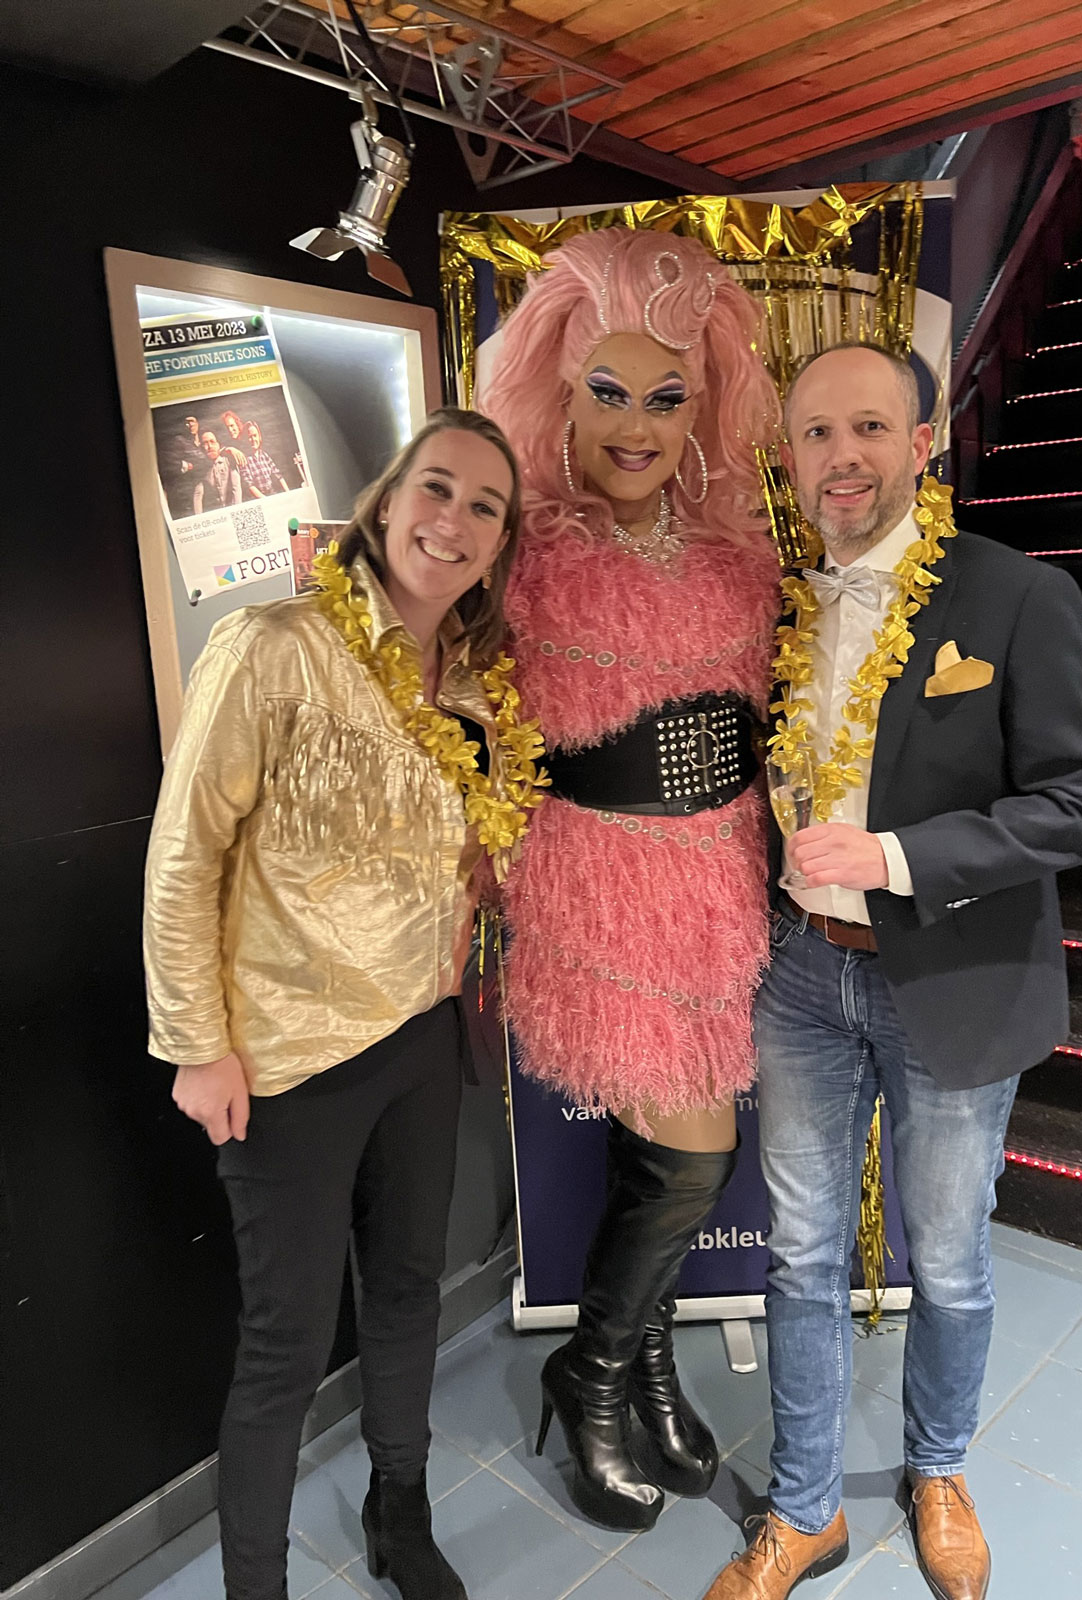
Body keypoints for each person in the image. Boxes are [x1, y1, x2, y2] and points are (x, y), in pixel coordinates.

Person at [701, 343, 1082, 1600]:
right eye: (817, 433)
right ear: (790, 457)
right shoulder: (780, 610)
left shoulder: (1017, 594)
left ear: (922, 443)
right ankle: (806, 1507)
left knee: (946, 1258)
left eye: (871, 427)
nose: (844, 457)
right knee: (800, 1254)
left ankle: (939, 1468)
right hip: (799, 978)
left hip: (955, 975)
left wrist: (894, 855)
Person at [144, 407, 541, 1600]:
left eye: (484, 506)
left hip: (421, 1034)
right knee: (285, 1347)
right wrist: (197, 1044)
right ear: (387, 499)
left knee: (409, 1290)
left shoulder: (472, 684)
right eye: (437, 487)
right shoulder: (274, 644)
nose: (453, 520)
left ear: (500, 542)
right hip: (287, 1058)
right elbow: (184, 856)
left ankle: (398, 1512)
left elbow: (457, 855)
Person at [481, 228, 782, 1532]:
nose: (637, 427)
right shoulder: (524, 555)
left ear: (701, 402)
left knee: (666, 1154)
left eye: (665, 397)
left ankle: (644, 1369)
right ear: (560, 389)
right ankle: (593, 1371)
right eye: (608, 392)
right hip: (598, 888)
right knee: (692, 1156)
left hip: (716, 886)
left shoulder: (738, 559)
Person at [195, 428, 243, 512]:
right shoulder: (201, 468)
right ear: (201, 447)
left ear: (219, 444)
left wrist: (237, 511)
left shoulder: (228, 461)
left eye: (212, 442)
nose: (210, 446)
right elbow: (198, 495)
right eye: (205, 443)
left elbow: (236, 488)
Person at [239, 419, 290, 497]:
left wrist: (288, 492)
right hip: (259, 498)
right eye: (250, 437)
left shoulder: (264, 455)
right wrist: (265, 499)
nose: (253, 439)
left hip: (272, 493)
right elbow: (249, 485)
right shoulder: (244, 460)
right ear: (245, 440)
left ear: (259, 437)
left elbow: (278, 475)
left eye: (255, 436)